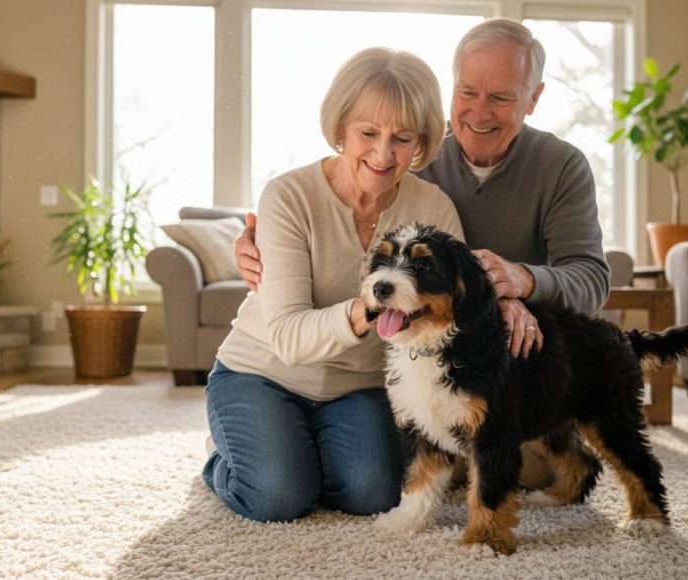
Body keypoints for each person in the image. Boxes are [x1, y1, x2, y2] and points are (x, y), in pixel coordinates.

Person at [236, 18, 610, 359]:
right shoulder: (410, 151)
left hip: (513, 342)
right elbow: (337, 185)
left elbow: (592, 280)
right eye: (467, 92)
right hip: (422, 346)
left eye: (500, 98)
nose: (479, 113)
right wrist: (257, 241)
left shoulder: (560, 165)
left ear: (533, 98)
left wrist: (523, 282)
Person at [204, 47, 465, 522]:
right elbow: (285, 336)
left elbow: (449, 313)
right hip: (261, 373)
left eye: (402, 138)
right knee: (278, 497)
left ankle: (293, 451)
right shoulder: (288, 195)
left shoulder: (435, 208)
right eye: (368, 132)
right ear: (341, 126)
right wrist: (365, 309)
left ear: (422, 141)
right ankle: (227, 457)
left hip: (357, 386)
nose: (383, 154)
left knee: (375, 494)